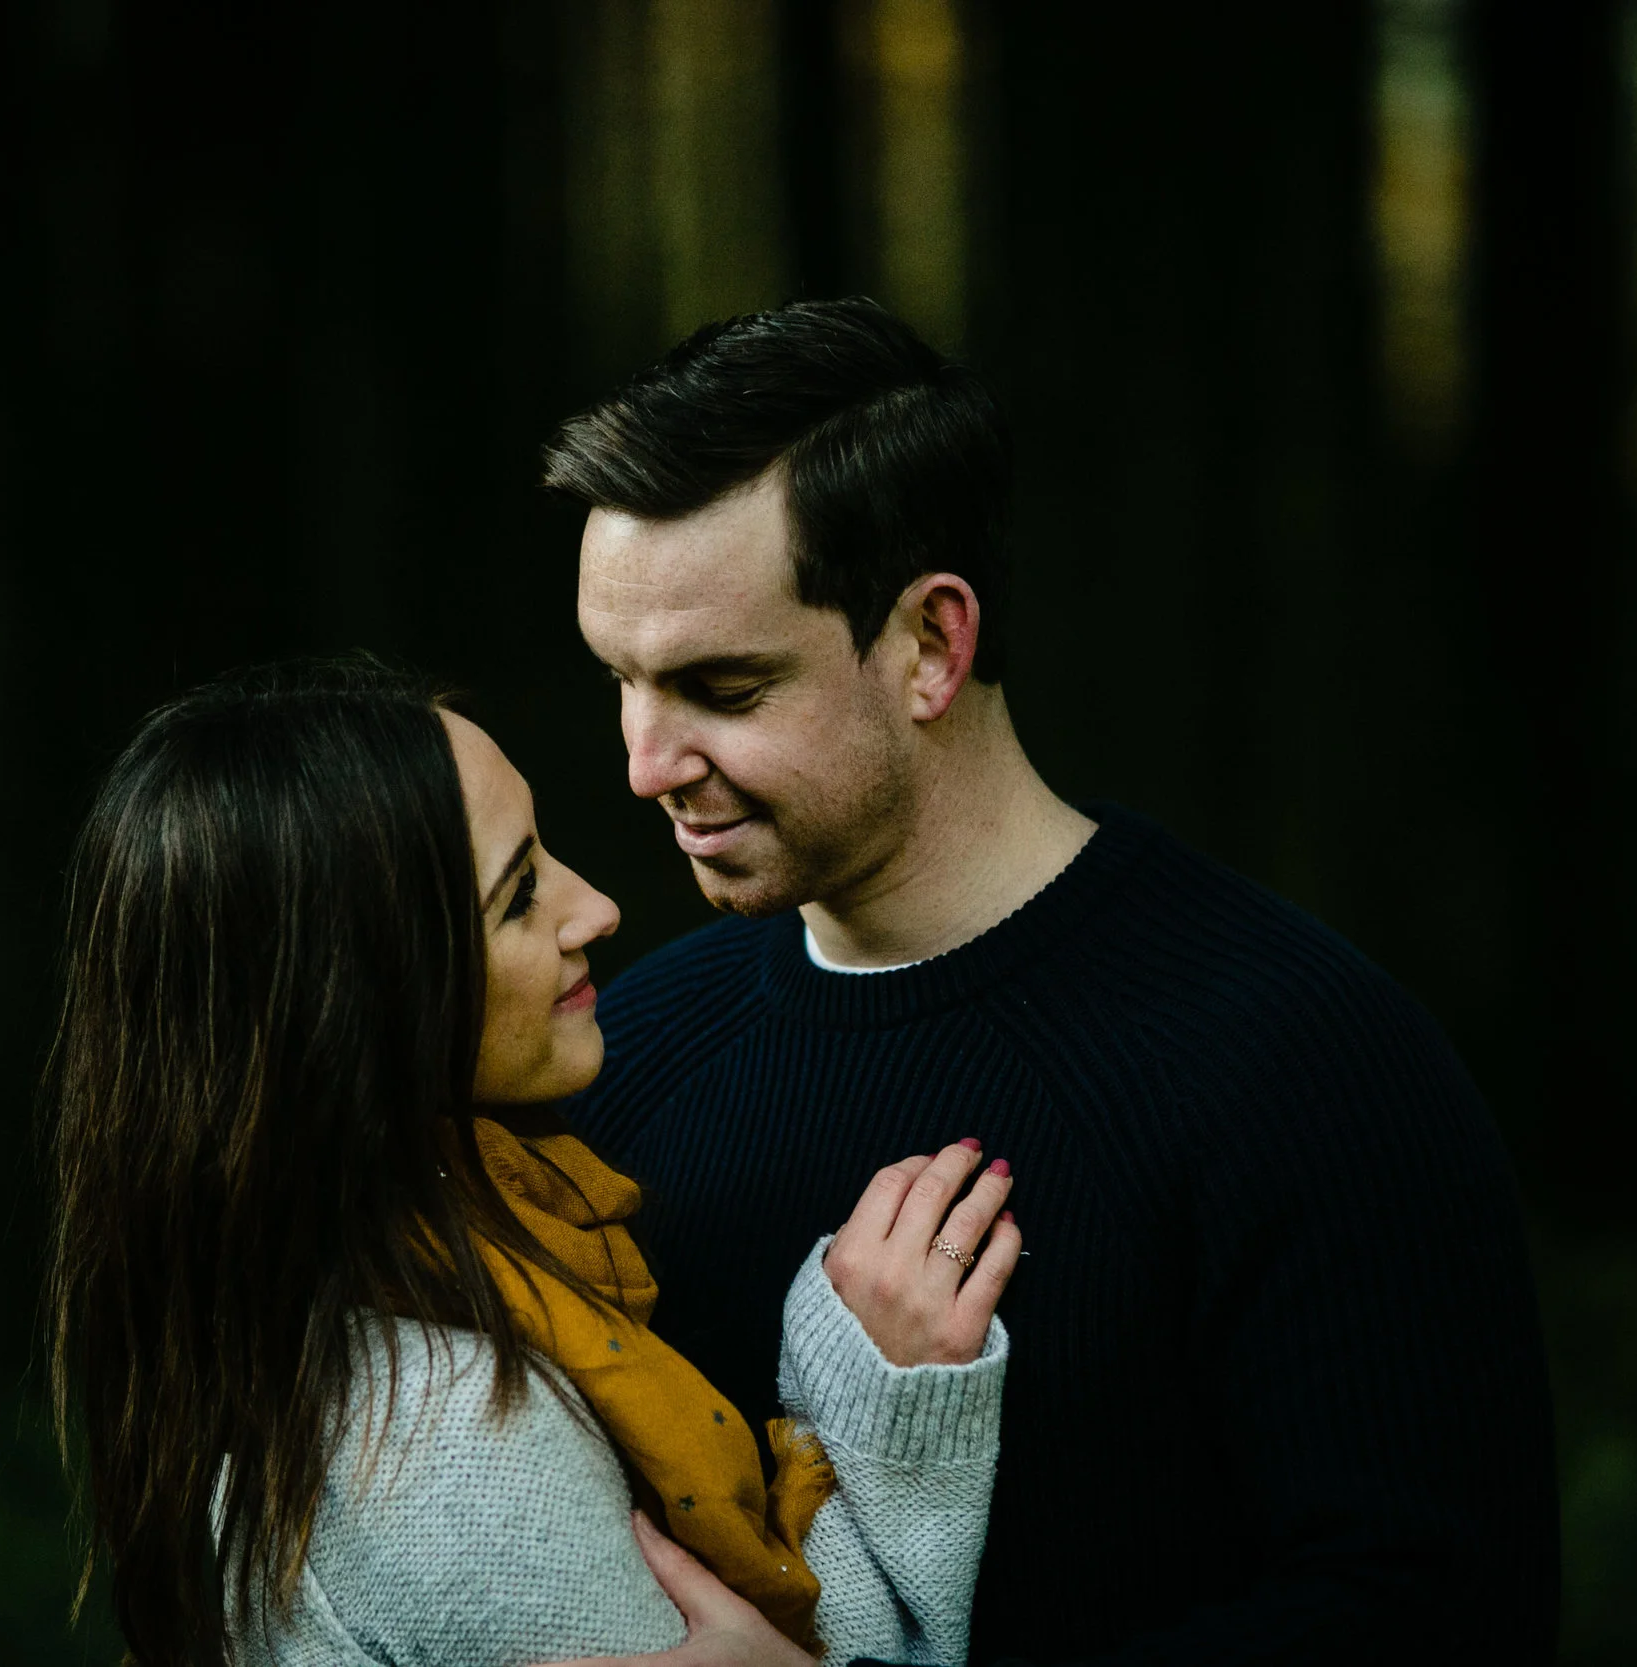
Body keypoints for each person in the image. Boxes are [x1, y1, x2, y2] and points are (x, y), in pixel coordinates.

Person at [544, 299, 1561, 1665]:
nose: (644, 762)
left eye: (722, 687)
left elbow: (1440, 1621)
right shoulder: (624, 1059)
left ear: (931, 645)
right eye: (621, 678)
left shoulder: (1301, 1059)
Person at [41, 657, 1020, 1667]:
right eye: (516, 898)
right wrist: (879, 1401)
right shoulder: (452, 1442)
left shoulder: (380, 1300)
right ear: (363, 1009)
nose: (595, 907)